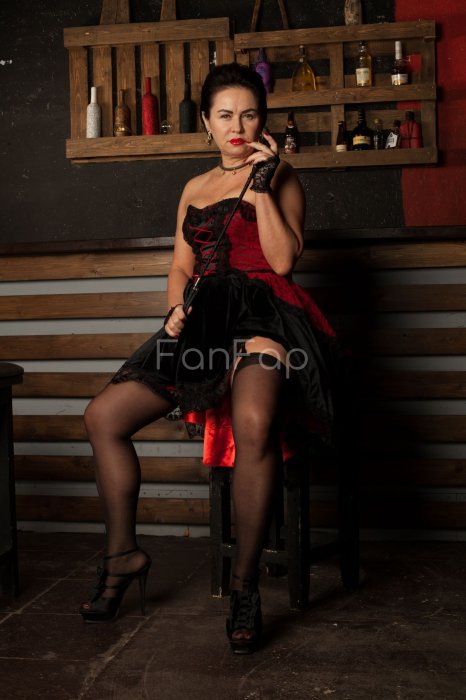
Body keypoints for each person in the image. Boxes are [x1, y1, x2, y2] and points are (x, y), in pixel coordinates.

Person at [80, 63, 344, 654]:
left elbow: (283, 262)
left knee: (255, 423)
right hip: (204, 323)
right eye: (225, 115)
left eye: (249, 114)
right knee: (102, 417)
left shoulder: (282, 177)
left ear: (263, 121)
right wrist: (176, 308)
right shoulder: (194, 188)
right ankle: (121, 556)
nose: (237, 126)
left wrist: (263, 183)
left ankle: (245, 587)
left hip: (264, 319)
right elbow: (181, 266)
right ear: (206, 121)